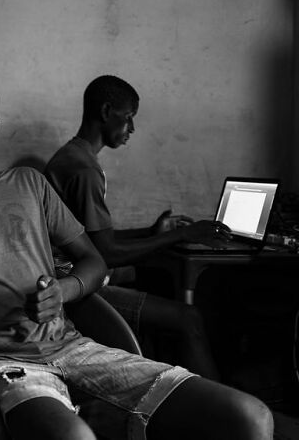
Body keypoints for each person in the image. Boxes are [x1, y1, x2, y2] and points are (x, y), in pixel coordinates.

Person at [0, 77, 273, 440]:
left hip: (74, 347)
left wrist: (64, 291)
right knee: (74, 437)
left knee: (250, 417)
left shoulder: (29, 184)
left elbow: (94, 261)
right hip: (1, 363)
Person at [44, 75, 228, 380]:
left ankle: (175, 388)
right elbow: (105, 253)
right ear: (106, 112)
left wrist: (151, 232)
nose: (132, 128)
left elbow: (93, 239)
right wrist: (181, 234)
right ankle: (218, 408)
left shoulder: (72, 156)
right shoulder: (84, 169)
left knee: (157, 284)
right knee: (189, 318)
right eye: (128, 117)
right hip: (79, 290)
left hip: (75, 278)